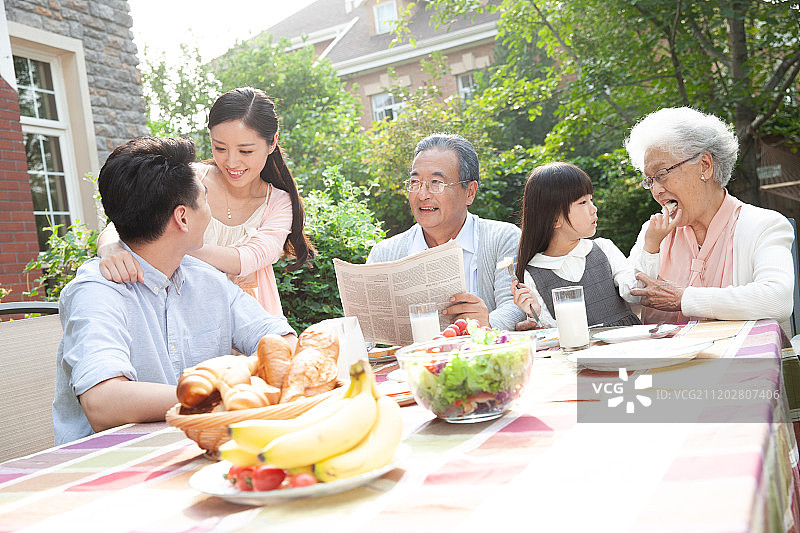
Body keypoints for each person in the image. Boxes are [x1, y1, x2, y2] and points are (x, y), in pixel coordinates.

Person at [54, 136, 297, 445]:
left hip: (197, 446)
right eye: (206, 199)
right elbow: (103, 402)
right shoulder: (99, 290)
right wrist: (215, 393)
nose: (210, 211)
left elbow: (282, 339)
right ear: (183, 217)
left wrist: (237, 376)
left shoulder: (205, 278)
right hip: (114, 466)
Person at [96, 87, 314, 316]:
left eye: (246, 151)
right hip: (183, 314)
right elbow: (128, 223)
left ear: (272, 143)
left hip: (251, 315)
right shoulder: (191, 178)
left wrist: (172, 246)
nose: (232, 162)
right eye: (220, 147)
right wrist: (111, 248)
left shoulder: (279, 202)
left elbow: (250, 258)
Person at [625, 106, 794, 331]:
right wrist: (650, 248)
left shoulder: (764, 225)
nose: (656, 190)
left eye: (661, 174)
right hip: (664, 363)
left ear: (704, 165)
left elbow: (777, 300)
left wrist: (684, 299)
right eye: (650, 180)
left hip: (738, 362)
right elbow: (629, 297)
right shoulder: (654, 231)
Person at [367, 133, 526, 330]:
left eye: (436, 183)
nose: (422, 195)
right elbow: (367, 333)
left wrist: (487, 324)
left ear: (470, 192)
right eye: (415, 183)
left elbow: (515, 304)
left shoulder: (502, 238)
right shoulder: (385, 254)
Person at [511, 162, 646, 329]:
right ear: (554, 219)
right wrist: (535, 314)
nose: (593, 209)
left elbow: (636, 292)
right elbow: (554, 334)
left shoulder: (604, 249)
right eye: (583, 202)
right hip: (581, 354)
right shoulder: (534, 273)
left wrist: (651, 247)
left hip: (628, 345)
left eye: (591, 200)